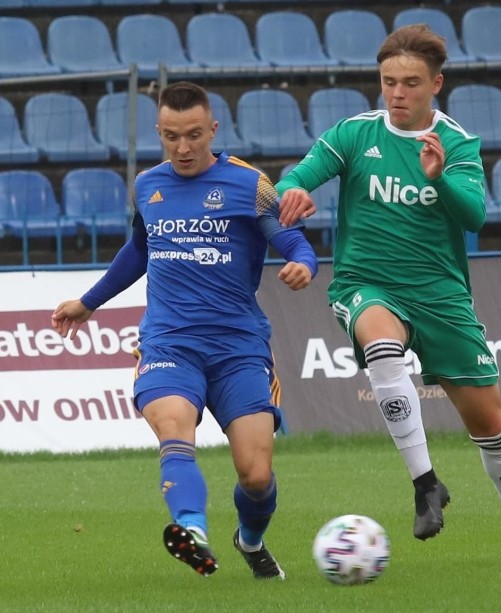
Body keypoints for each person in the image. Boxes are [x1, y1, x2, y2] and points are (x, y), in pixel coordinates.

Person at [276, 25, 501, 565]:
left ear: (436, 85)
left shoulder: (456, 143)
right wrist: (295, 192)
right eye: (388, 82)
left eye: (410, 83)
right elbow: (294, 177)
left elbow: (474, 215)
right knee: (380, 344)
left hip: (441, 296)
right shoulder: (355, 135)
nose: (397, 93)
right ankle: (425, 483)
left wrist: (440, 177)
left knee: (491, 428)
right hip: (366, 283)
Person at [51, 81, 318, 579]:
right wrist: (89, 303)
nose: (184, 147)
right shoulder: (148, 186)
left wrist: (304, 265)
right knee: (174, 429)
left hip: (239, 347)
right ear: (160, 132)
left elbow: (293, 241)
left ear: (213, 129)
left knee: (256, 476)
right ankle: (191, 531)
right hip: (169, 342)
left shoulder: (249, 184)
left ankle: (250, 539)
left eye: (194, 134)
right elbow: (139, 250)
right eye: (171, 136)